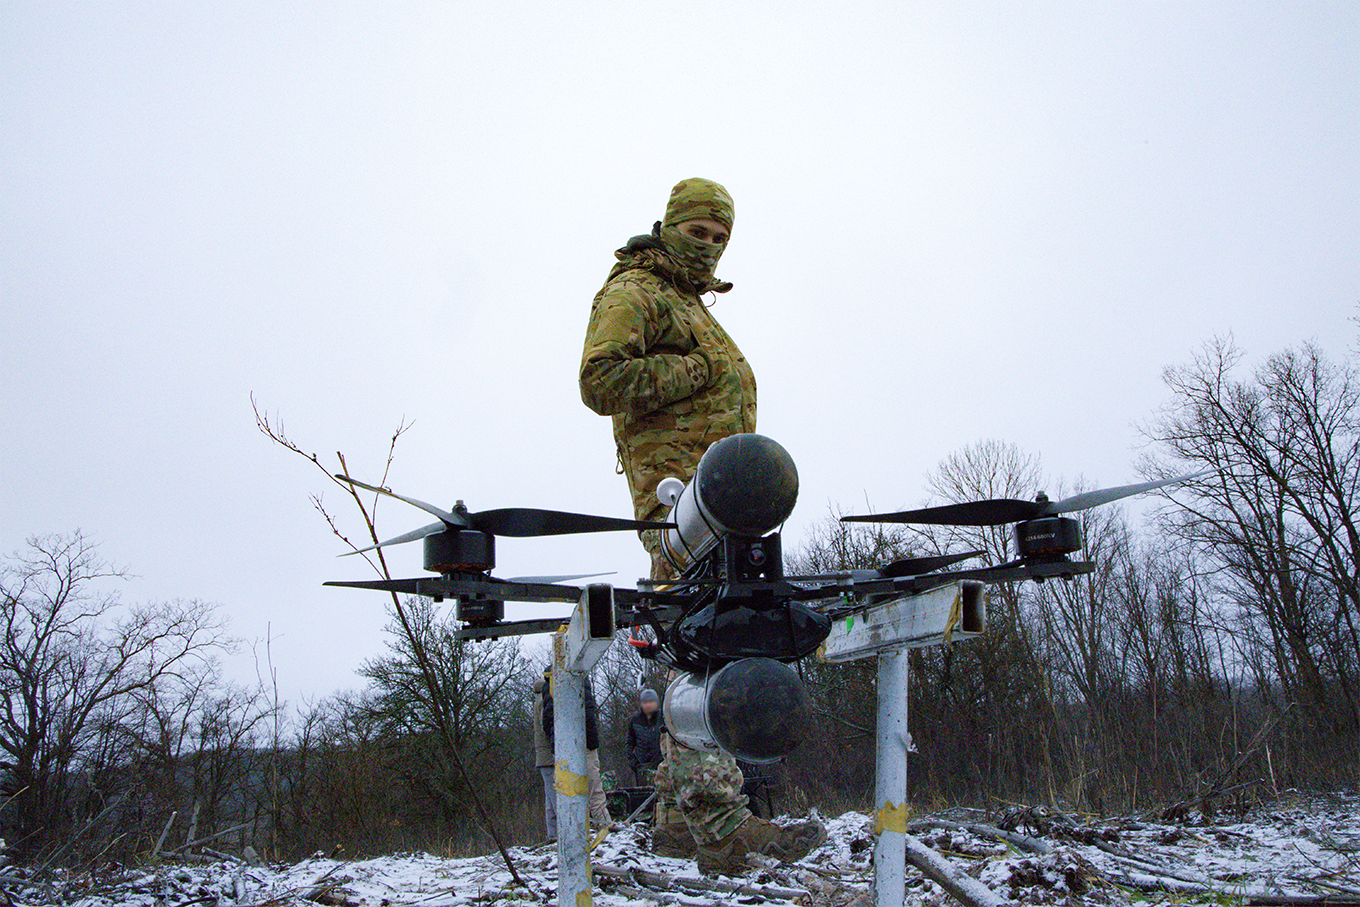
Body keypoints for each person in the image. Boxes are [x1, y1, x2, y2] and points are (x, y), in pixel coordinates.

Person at [579, 179, 825, 876]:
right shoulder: (637, 290)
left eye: (721, 237)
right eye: (698, 232)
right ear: (669, 226)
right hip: (682, 506)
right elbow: (599, 380)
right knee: (711, 650)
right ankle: (721, 829)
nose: (709, 245)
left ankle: (677, 824)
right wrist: (693, 369)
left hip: (718, 509)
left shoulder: (687, 300)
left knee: (697, 643)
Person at [540, 668, 612, 827]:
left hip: (561, 748)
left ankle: (574, 830)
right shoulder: (578, 675)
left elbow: (546, 721)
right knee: (594, 791)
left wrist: (554, 744)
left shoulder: (549, 682)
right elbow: (588, 715)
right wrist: (593, 744)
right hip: (583, 744)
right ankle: (605, 829)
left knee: (569, 794)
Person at [532, 675, 557, 842]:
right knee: (556, 799)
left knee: (549, 800)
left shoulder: (536, 702)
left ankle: (552, 835)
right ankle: (561, 835)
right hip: (548, 756)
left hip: (542, 758)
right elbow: (545, 726)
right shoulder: (543, 701)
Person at [627, 689, 666, 786]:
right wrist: (633, 762)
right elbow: (629, 744)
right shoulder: (635, 721)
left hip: (662, 765)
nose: (648, 705)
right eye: (645, 702)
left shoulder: (663, 717)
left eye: (651, 702)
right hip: (642, 767)